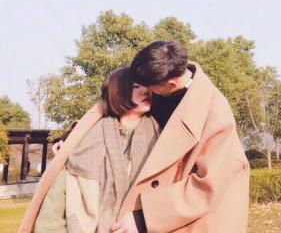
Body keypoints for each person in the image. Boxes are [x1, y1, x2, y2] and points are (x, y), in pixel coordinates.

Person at [114, 41, 250, 233]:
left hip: (197, 219)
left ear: (171, 84)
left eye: (150, 87)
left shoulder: (217, 117)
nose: (145, 91)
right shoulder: (162, 77)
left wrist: (143, 218)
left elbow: (208, 186)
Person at [20, 67, 160, 233]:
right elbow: (53, 210)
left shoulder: (163, 136)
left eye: (147, 85)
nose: (147, 90)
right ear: (118, 93)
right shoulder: (85, 140)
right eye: (136, 86)